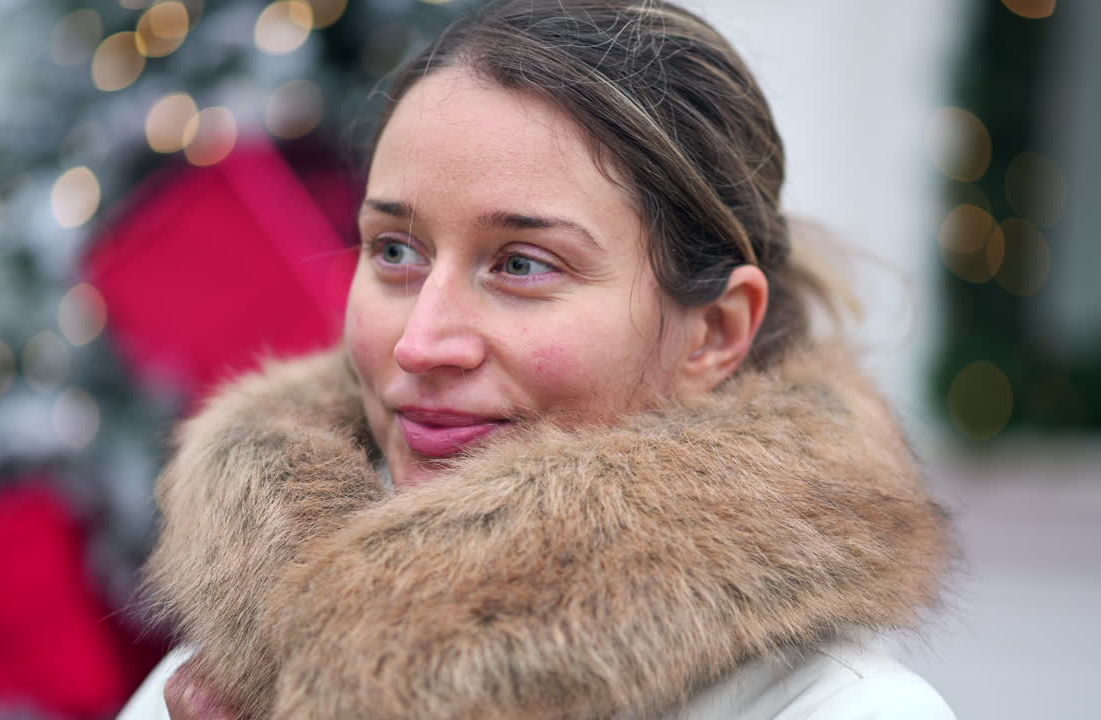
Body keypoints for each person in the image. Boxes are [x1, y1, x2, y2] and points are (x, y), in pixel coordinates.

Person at [118, 0, 956, 717]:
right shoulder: (241, 653)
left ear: (715, 332)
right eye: (396, 253)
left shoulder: (840, 707)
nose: (420, 342)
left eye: (521, 265)